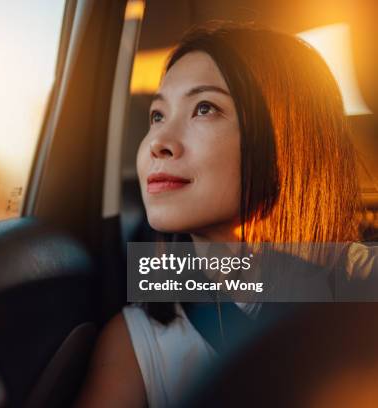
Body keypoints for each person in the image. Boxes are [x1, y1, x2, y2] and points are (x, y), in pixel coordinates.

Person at [74, 21, 372, 407]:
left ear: (286, 138)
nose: (157, 143)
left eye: (204, 108)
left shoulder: (363, 294)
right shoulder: (137, 341)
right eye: (157, 116)